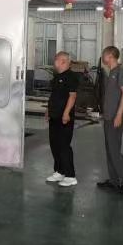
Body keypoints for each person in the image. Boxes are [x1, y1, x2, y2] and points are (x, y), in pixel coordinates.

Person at [97, 46, 123, 194]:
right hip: (108, 117)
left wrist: (119, 115)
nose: (102, 57)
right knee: (109, 151)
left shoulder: (120, 72)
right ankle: (114, 181)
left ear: (110, 56)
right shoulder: (110, 73)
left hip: (114, 118)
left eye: (104, 54)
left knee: (115, 151)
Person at [45, 52, 79, 187]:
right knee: (54, 144)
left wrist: (66, 113)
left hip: (64, 117)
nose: (54, 62)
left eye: (56, 59)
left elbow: (72, 96)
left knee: (64, 146)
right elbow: (53, 96)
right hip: (54, 116)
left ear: (63, 61)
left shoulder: (71, 77)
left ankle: (70, 176)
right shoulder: (57, 77)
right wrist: (48, 110)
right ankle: (60, 171)